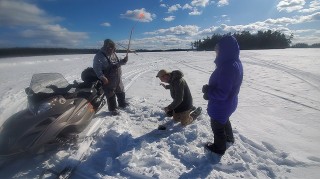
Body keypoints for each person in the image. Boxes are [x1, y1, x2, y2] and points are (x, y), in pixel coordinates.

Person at [202, 35, 243, 155]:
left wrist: (208, 92)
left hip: (221, 105)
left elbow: (222, 93)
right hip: (230, 102)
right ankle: (229, 138)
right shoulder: (235, 62)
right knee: (224, 120)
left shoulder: (228, 67)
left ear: (225, 49)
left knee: (217, 127)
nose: (216, 52)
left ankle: (219, 148)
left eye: (218, 49)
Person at [93, 39, 129, 115]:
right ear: (106, 47)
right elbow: (97, 68)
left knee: (120, 90)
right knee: (110, 93)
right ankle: (113, 109)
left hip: (117, 77)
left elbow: (118, 63)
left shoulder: (114, 53)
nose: (113, 50)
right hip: (108, 79)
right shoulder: (99, 56)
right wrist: (102, 77)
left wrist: (124, 61)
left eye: (114, 48)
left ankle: (122, 104)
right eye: (111, 48)